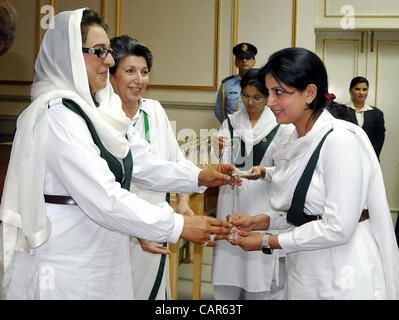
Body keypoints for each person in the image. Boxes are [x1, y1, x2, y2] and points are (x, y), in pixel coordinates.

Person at [0, 8, 238, 300]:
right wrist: (178, 224)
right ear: (70, 53)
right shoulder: (58, 114)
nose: (109, 61)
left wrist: (198, 176)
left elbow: (139, 161)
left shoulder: (95, 111)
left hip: (100, 250)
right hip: (68, 261)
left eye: (109, 52)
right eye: (99, 52)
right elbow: (103, 195)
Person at [230, 47, 399, 299]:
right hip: (305, 267)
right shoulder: (294, 137)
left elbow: (338, 227)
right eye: (269, 92)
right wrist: (262, 221)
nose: (270, 102)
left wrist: (267, 241)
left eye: (279, 92)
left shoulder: (339, 140)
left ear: (309, 93)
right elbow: (304, 208)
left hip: (343, 270)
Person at [109, 35, 194, 300]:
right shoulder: (101, 117)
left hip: (156, 223)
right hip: (118, 226)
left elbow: (175, 161)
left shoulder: (154, 110)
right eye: (130, 71)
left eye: (144, 72)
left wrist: (183, 202)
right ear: (111, 75)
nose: (139, 79)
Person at [211, 69, 293, 300]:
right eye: (245, 96)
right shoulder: (230, 123)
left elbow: (289, 169)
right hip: (233, 198)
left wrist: (265, 171)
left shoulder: (282, 125)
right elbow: (222, 159)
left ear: (268, 96)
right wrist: (221, 158)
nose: (250, 102)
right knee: (230, 260)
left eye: (256, 97)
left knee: (259, 268)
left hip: (264, 200)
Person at [215, 42, 257, 123]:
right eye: (241, 58)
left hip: (256, 131)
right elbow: (219, 111)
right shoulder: (226, 85)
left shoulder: (262, 83)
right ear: (236, 62)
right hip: (233, 130)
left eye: (248, 58)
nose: (244, 60)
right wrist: (229, 127)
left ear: (254, 61)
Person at [345, 76, 386, 159]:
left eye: (364, 89)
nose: (361, 92)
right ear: (350, 91)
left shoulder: (377, 113)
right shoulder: (341, 111)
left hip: (371, 159)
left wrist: (370, 156)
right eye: (357, 89)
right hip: (347, 158)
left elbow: (379, 139)